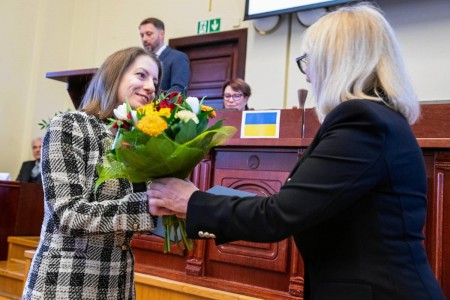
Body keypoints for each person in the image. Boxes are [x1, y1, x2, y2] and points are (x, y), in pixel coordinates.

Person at [147, 3, 445, 300]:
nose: (307, 76)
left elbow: (278, 215)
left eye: (309, 61)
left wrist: (192, 201)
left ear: (337, 62)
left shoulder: (363, 123)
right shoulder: (377, 119)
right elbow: (298, 206)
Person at [23, 47, 161, 300]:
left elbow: (131, 220)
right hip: (65, 282)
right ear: (114, 76)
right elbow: (68, 214)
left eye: (155, 80)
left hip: (118, 281)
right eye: (142, 75)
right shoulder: (70, 126)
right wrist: (150, 206)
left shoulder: (138, 141)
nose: (151, 87)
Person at [139, 17, 190, 93]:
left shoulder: (178, 58)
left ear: (161, 34)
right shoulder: (141, 61)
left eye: (149, 34)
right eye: (142, 35)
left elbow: (179, 91)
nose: (144, 39)